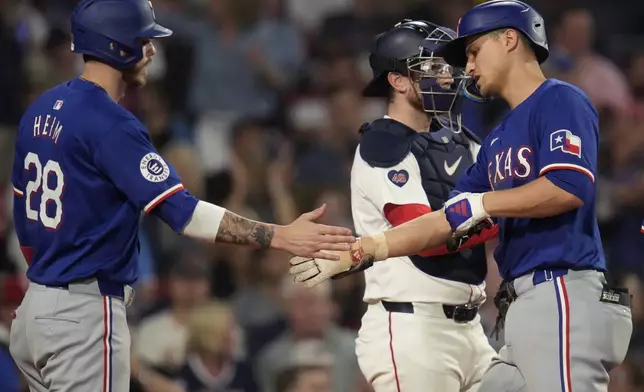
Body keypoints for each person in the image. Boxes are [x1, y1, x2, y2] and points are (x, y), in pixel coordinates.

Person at [8, 1, 354, 391]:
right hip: (82, 313)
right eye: (143, 40)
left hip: (35, 309)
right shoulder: (110, 123)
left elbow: (22, 212)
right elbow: (184, 213)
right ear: (116, 45)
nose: (152, 50)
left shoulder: (40, 110)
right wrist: (279, 235)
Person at [290, 1, 633, 391]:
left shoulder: (559, 99)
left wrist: (485, 206)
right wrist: (364, 247)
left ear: (508, 40)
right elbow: (446, 220)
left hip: (561, 291)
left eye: (472, 52)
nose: (464, 70)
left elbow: (568, 187)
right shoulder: (495, 139)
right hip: (500, 311)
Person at [336, 19, 497, 391]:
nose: (446, 77)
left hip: (473, 328)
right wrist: (500, 212)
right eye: (433, 67)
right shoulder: (382, 143)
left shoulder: (464, 141)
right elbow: (427, 237)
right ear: (398, 80)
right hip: (412, 327)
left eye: (448, 67)